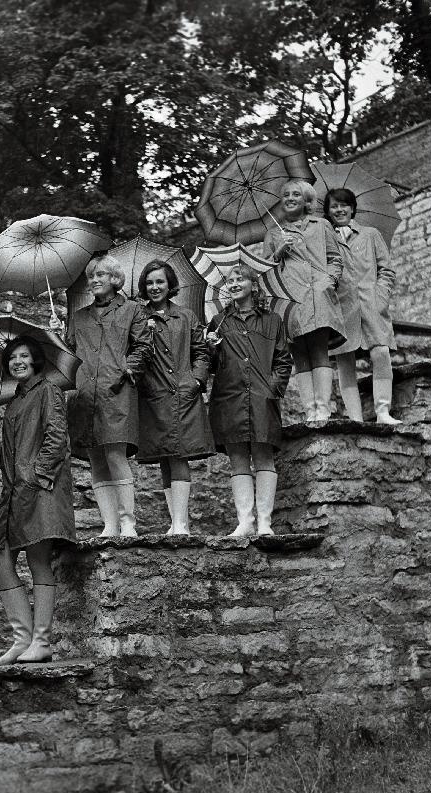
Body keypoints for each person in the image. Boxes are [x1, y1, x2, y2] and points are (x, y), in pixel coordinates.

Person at [0, 336, 76, 665]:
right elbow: (11, 459)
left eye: (23, 356)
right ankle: (22, 639)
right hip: (14, 493)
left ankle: (41, 641)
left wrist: (38, 476)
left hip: (40, 490)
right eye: (12, 357)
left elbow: (57, 436)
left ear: (36, 360)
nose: (17, 361)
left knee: (38, 561)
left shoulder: (48, 390)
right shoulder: (13, 401)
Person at [52, 254, 151, 537]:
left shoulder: (133, 310)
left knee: (115, 455)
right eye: (91, 276)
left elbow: (143, 345)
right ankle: (109, 524)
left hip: (116, 389)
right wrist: (58, 334)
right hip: (84, 394)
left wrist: (129, 367)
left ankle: (128, 522)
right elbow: (67, 354)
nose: (94, 280)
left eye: (101, 275)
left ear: (115, 279)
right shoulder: (79, 317)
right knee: (95, 458)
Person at [206, 266, 292, 536]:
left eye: (239, 279)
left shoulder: (272, 320)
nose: (233, 284)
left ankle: (265, 522)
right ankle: (246, 521)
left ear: (254, 286)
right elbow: (211, 366)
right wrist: (209, 348)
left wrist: (272, 389)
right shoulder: (219, 321)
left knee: (264, 456)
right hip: (229, 397)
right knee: (238, 458)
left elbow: (283, 360)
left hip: (260, 397)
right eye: (229, 281)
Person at [136, 260, 214, 535]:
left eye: (160, 281)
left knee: (179, 455)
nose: (155, 287)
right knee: (164, 457)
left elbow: (201, 352)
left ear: (170, 285)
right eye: (149, 282)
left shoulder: (186, 316)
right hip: (153, 396)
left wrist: (196, 380)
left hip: (184, 394)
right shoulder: (137, 316)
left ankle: (181, 523)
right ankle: (175, 522)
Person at [263, 179, 345, 424]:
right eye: (285, 194)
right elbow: (265, 271)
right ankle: (310, 410)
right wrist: (279, 251)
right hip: (289, 298)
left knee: (319, 349)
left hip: (317, 294)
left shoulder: (321, 225)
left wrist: (328, 281)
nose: (289, 198)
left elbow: (335, 258)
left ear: (307, 201)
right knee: (299, 353)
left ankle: (324, 408)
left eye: (295, 194)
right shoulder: (273, 232)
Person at [324, 187, 402, 425]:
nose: (339, 210)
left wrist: (380, 298)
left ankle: (382, 412)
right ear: (328, 211)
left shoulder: (370, 234)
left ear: (352, 208)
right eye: (334, 206)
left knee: (381, 353)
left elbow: (386, 270)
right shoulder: (325, 238)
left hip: (371, 304)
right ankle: (356, 418)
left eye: (344, 205)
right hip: (341, 308)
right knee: (345, 361)